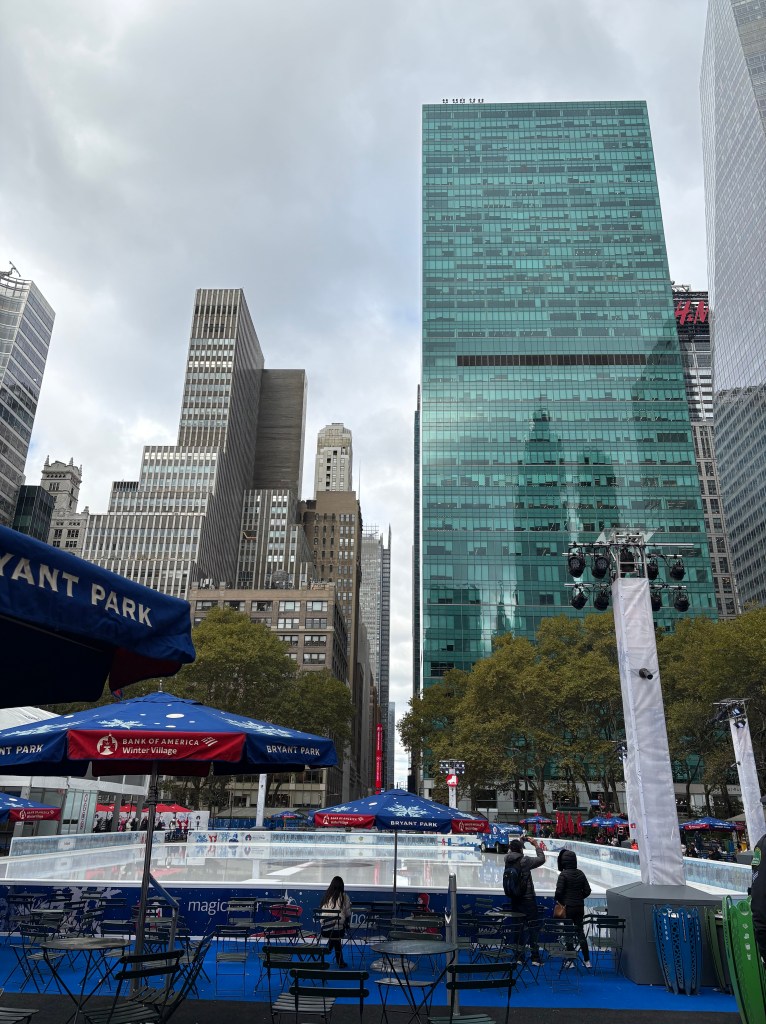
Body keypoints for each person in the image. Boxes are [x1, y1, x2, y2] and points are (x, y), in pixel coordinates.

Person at [504, 836, 546, 966]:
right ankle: (535, 957)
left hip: (515, 899)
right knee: (533, 927)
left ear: (511, 848)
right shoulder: (525, 860)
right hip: (528, 899)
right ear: (522, 849)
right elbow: (541, 859)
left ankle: (519, 957)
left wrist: (520, 841)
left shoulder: (507, 859)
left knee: (518, 928)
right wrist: (536, 845)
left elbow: (515, 850)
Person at [554, 849, 593, 969]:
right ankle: (587, 960)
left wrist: (562, 902)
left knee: (568, 934)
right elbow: (587, 890)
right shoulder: (581, 873)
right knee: (580, 933)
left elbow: (558, 892)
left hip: (568, 908)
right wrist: (579, 898)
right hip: (579, 907)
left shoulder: (563, 875)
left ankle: (570, 960)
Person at [319, 875, 352, 967]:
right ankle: (339, 961)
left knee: (334, 933)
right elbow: (348, 914)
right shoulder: (344, 897)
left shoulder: (326, 896)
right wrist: (347, 923)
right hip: (338, 931)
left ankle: (329, 949)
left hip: (324, 931)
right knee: (336, 932)